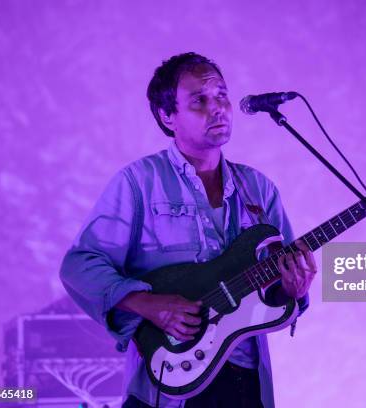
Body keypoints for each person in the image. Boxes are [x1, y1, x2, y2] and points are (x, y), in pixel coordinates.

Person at [59, 52, 316, 408]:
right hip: (166, 386)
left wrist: (294, 289)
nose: (218, 108)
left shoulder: (259, 188)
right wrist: (148, 304)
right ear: (167, 116)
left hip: (245, 385)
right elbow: (79, 265)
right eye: (199, 100)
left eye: (222, 95)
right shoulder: (138, 182)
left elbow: (280, 292)